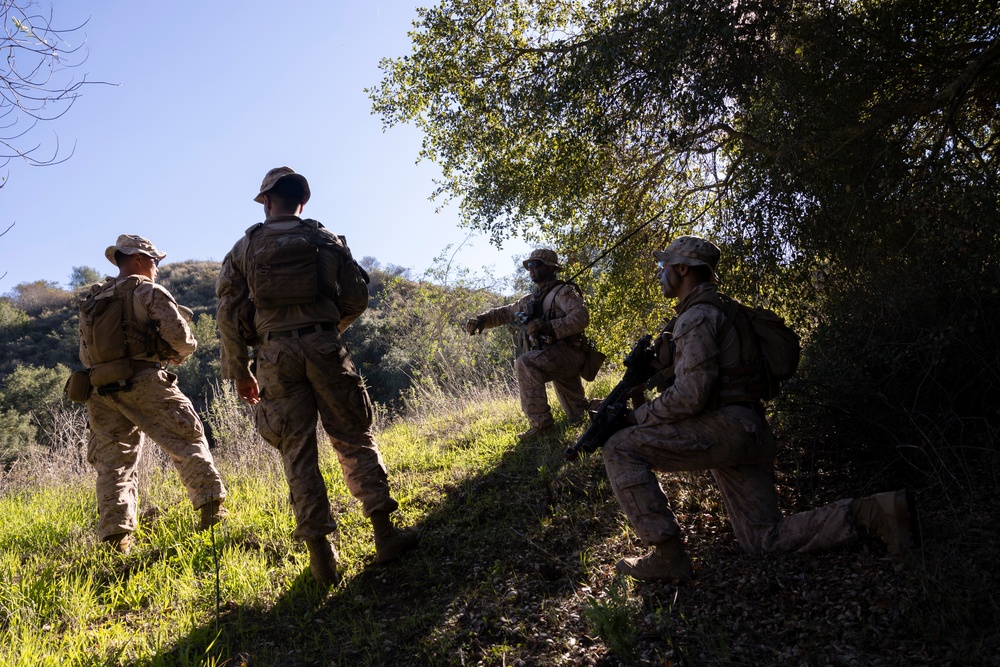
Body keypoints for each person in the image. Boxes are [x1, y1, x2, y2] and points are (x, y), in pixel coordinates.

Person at [603, 235, 920, 581]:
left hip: (725, 430)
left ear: (683, 269)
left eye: (666, 265)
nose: (661, 273)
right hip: (750, 430)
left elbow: (690, 395)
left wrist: (635, 418)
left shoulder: (696, 317)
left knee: (619, 447)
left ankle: (667, 556)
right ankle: (875, 513)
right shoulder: (728, 309)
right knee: (763, 538)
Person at [216, 167, 419, 585]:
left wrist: (240, 371)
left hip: (274, 356)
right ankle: (385, 536)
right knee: (353, 436)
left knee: (297, 451)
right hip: (325, 346)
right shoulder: (326, 239)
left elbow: (228, 316)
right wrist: (328, 329)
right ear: (302, 202)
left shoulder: (244, 247)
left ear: (267, 202)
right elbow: (358, 297)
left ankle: (322, 562)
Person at [79, 234, 227, 555]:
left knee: (114, 464)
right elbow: (182, 339)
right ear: (136, 259)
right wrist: (177, 353)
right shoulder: (147, 291)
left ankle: (116, 541)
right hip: (142, 379)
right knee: (186, 436)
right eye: (154, 260)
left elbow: (86, 355)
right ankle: (211, 512)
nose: (157, 267)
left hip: (100, 389)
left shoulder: (92, 301)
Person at [466, 249, 597, 441]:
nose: (531, 269)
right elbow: (506, 313)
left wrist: (549, 327)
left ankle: (541, 425)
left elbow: (581, 317)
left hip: (568, 353)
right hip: (555, 357)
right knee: (579, 413)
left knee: (526, 363)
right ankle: (612, 405)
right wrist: (482, 320)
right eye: (529, 265)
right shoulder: (532, 298)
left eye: (537, 264)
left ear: (551, 268)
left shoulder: (563, 292)